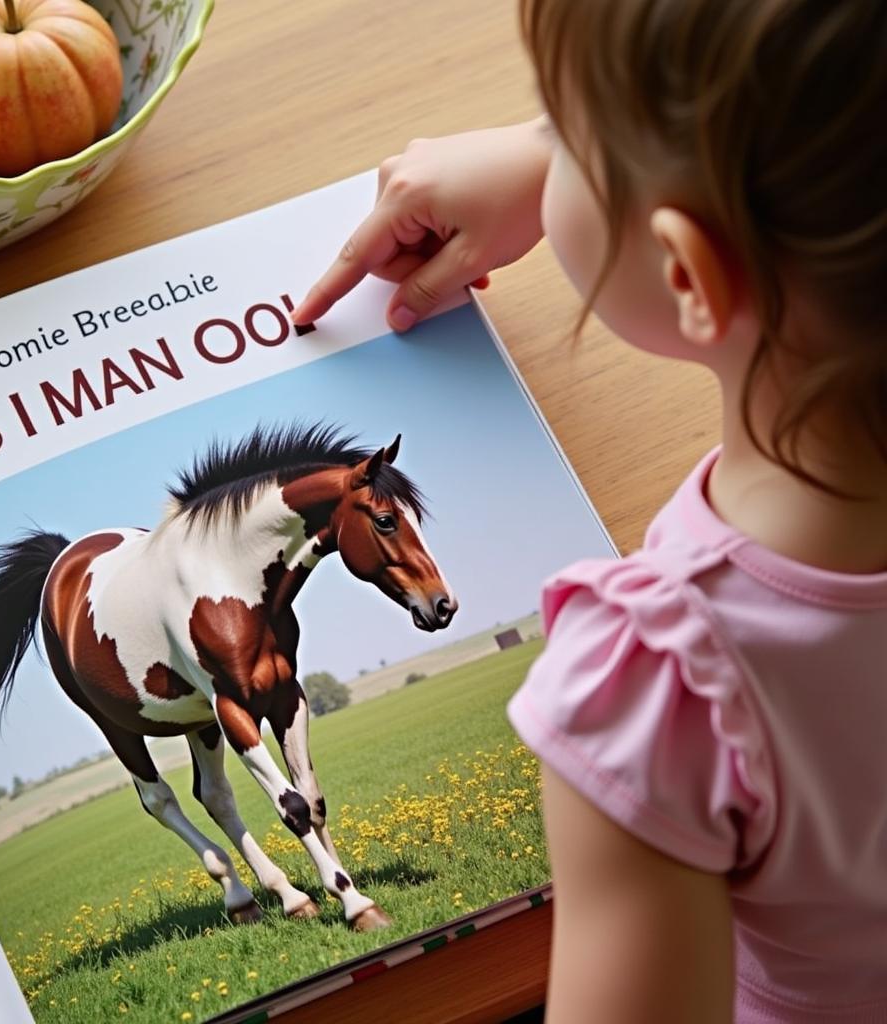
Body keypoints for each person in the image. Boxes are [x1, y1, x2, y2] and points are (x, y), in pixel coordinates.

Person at [291, 1, 887, 1021]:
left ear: (690, 275)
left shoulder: (666, 688)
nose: (542, 145)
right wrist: (567, 161)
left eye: (564, 129)